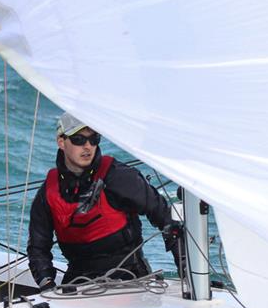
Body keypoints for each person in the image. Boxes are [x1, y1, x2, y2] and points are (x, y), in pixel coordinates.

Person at [28, 113, 183, 290]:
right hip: (77, 282)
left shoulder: (118, 176)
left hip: (130, 279)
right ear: (61, 142)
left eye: (94, 139)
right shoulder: (48, 191)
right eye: (79, 139)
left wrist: (186, 270)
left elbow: (167, 218)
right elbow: (38, 248)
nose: (88, 146)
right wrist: (47, 284)